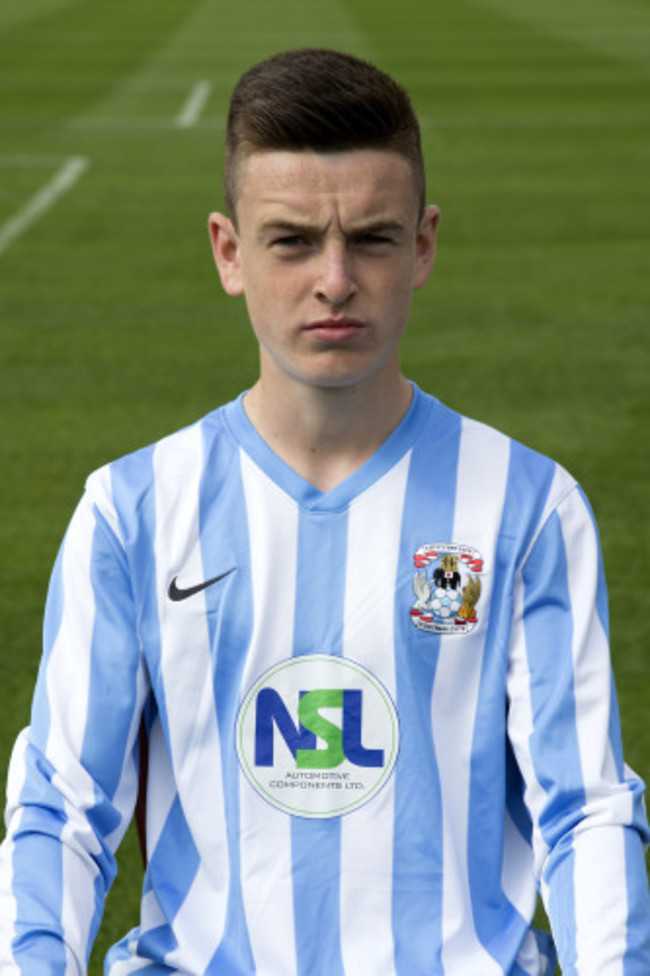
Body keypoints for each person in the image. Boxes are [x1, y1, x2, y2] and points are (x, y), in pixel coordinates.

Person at [0, 47, 648, 976]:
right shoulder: (131, 512)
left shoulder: (527, 505)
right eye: (293, 241)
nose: (334, 279)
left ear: (423, 246)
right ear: (230, 252)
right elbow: (62, 809)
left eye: (372, 239)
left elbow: (585, 811)